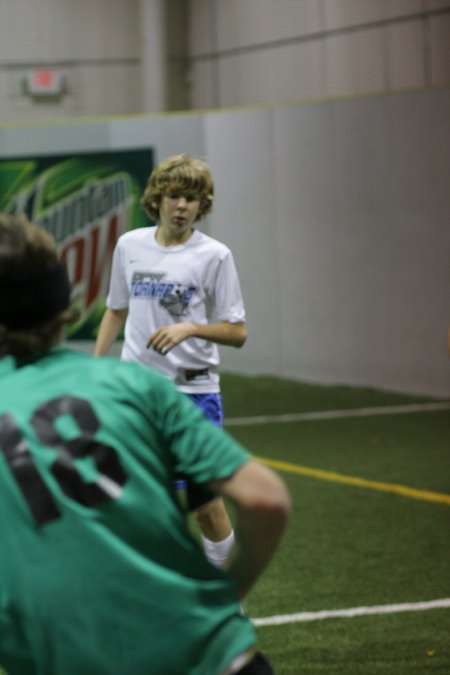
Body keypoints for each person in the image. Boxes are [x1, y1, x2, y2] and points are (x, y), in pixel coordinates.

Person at [0, 212, 291, 674]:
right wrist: (226, 595)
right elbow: (267, 498)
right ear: (61, 304)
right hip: (214, 656)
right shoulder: (138, 388)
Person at [95, 154, 247, 568]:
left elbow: (237, 332)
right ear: (157, 199)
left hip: (193, 395)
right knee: (127, 497)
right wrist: (95, 367)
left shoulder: (215, 255)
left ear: (203, 205)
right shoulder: (130, 246)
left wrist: (191, 328)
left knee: (206, 507)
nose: (182, 206)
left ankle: (229, 595)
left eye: (192, 199)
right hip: (136, 395)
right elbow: (116, 310)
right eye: (175, 196)